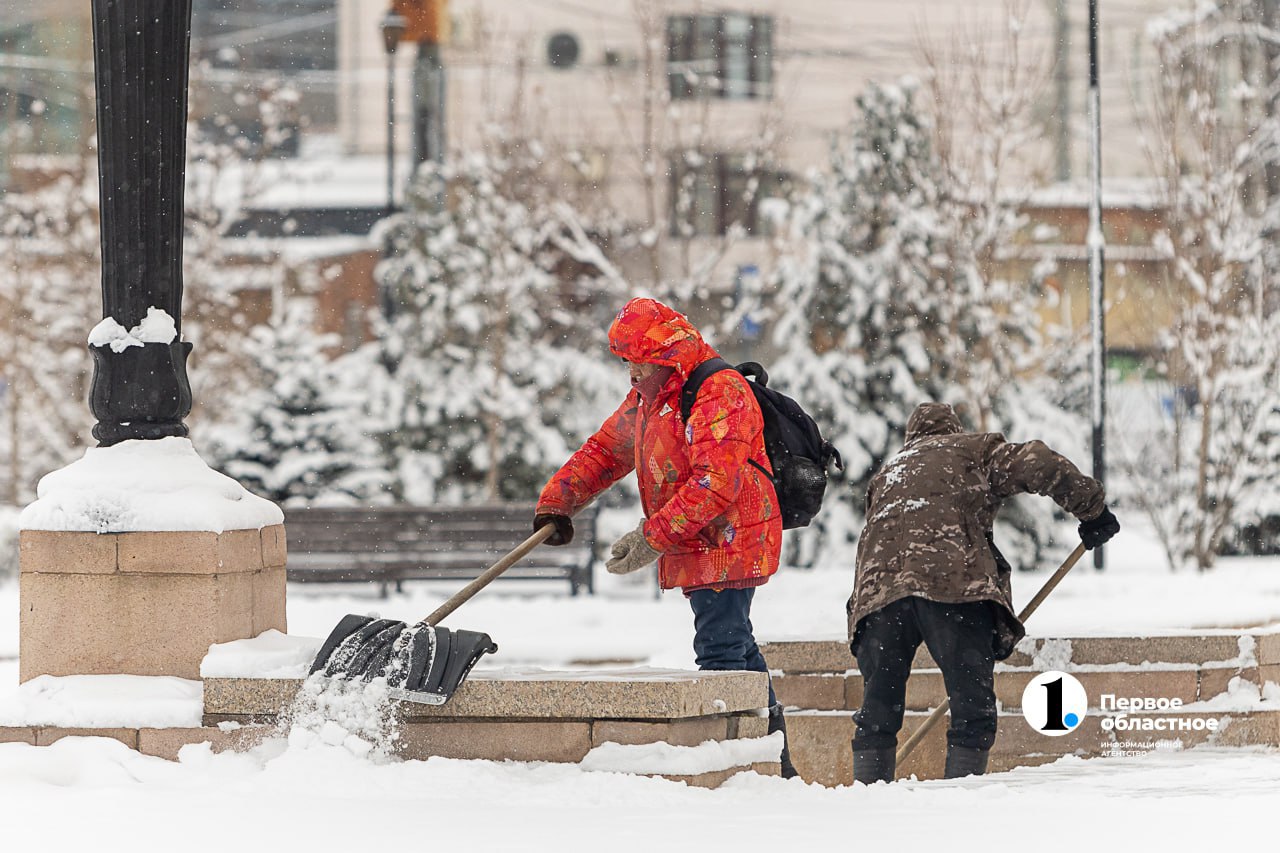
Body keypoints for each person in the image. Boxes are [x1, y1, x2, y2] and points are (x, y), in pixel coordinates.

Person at [533, 297, 795, 777]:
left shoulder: (720, 392)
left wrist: (650, 539)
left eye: (639, 362)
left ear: (667, 358)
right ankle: (775, 763)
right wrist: (559, 500)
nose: (631, 372)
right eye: (626, 362)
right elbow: (607, 451)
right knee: (738, 646)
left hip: (730, 539)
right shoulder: (652, 397)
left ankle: (737, 769)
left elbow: (715, 483)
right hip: (700, 538)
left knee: (720, 650)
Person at [846, 402, 1120, 783]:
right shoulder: (972, 451)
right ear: (953, 430)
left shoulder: (888, 473)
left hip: (878, 600)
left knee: (877, 711)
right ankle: (963, 803)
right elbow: (1038, 463)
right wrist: (1093, 511)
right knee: (971, 709)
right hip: (952, 588)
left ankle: (866, 802)